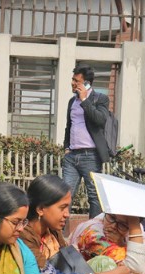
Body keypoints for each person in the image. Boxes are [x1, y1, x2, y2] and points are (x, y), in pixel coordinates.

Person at [62, 65, 110, 218]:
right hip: (71, 156)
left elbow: (100, 120)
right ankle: (58, 234)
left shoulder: (100, 99)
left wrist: (84, 100)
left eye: (77, 81)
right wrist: (66, 147)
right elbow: (69, 126)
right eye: (73, 80)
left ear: (87, 84)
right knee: (64, 195)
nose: (73, 83)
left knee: (94, 196)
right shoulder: (72, 102)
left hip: (91, 155)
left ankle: (93, 232)